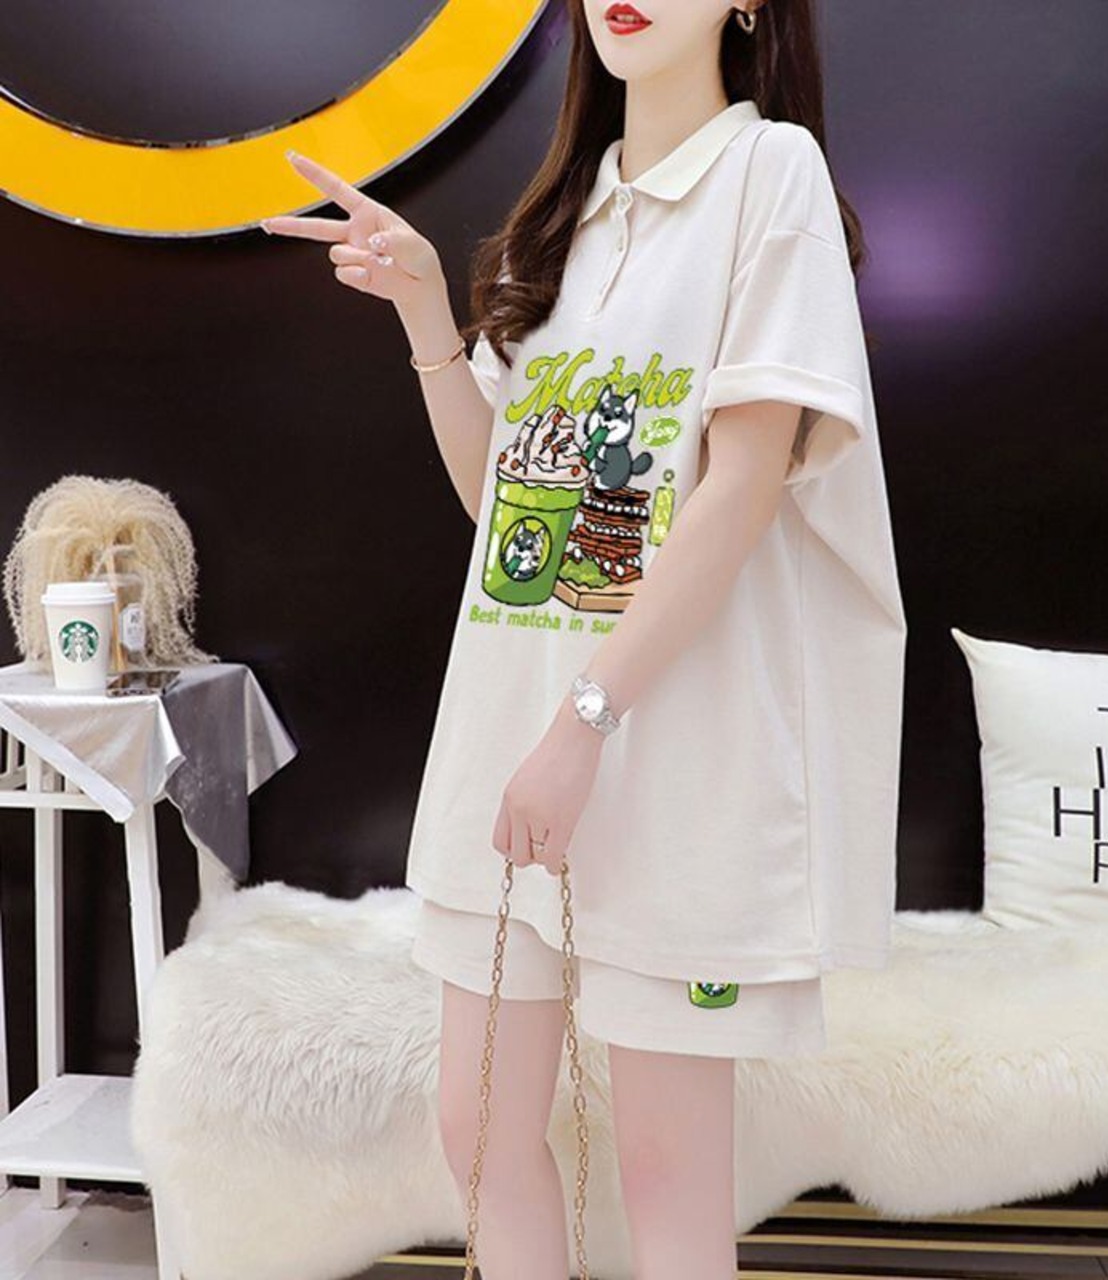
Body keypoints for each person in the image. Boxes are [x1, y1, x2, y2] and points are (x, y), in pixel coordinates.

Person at [261, 2, 907, 1276]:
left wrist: (584, 725)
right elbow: (500, 506)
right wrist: (426, 315)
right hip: (507, 751)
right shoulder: (562, 219)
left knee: (666, 1169)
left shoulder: (766, 172)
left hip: (668, 766)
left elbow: (741, 485)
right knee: (476, 1130)